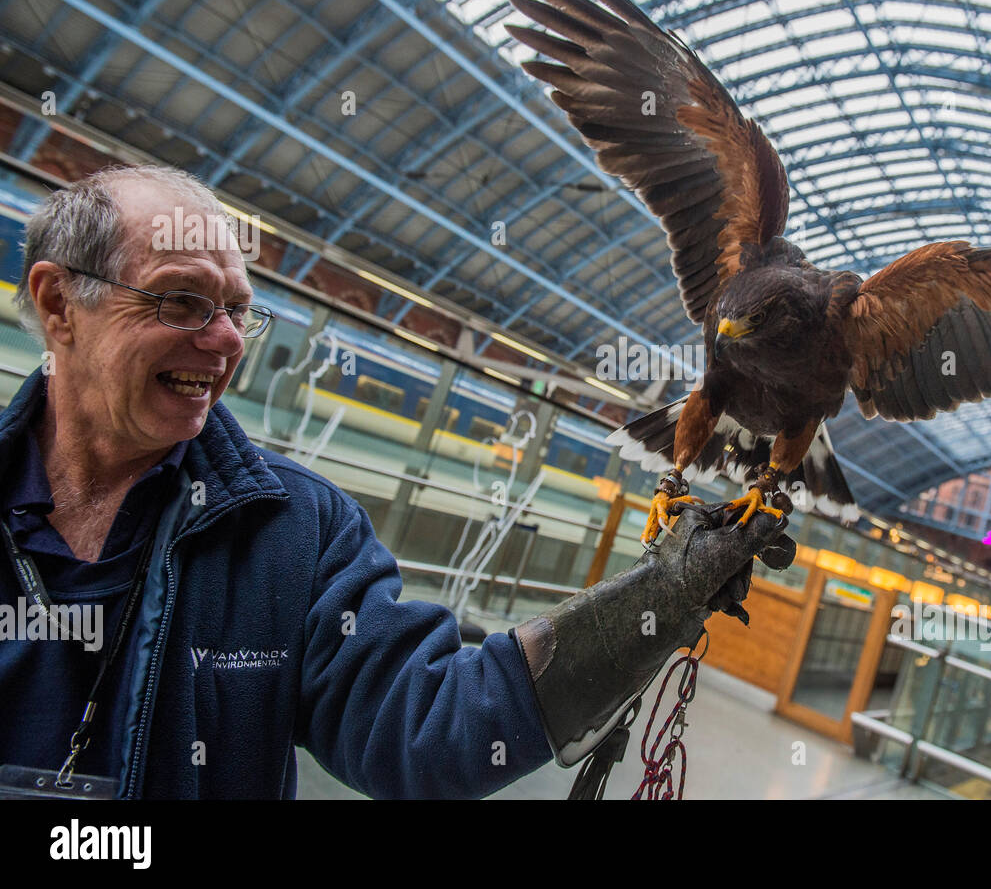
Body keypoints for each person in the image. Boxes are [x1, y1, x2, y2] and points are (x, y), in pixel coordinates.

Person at [0, 165, 792, 798]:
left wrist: (653, 601)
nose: (224, 341)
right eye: (182, 301)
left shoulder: (298, 533)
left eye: (240, 312)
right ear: (58, 304)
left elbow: (425, 728)